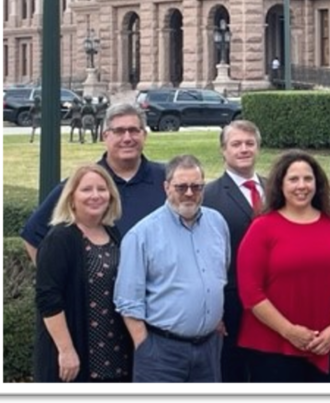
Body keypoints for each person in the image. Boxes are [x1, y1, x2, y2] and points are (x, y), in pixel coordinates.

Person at [237, 150, 330, 382]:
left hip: (328, 345)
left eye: (308, 178)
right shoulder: (262, 228)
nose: (301, 186)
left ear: (318, 183)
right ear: (280, 184)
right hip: (273, 348)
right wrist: (289, 331)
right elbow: (251, 292)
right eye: (293, 179)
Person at [114, 155, 230, 382]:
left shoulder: (217, 223)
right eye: (181, 187)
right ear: (166, 187)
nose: (189, 193)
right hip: (162, 352)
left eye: (196, 187)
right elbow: (127, 300)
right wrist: (144, 346)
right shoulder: (142, 235)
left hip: (209, 348)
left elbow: (220, 275)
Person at [21, 102, 167, 263]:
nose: (127, 138)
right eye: (118, 131)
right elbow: (33, 234)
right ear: (105, 136)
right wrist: (53, 280)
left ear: (144, 135)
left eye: (133, 130)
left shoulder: (169, 182)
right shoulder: (82, 185)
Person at [33, 164, 132, 382]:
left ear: (111, 195)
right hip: (76, 356)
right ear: (71, 198)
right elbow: (48, 299)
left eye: (102, 189)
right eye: (86, 189)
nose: (95, 196)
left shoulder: (112, 233)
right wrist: (66, 351)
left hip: (115, 353)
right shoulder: (60, 238)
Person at [203, 120, 267, 383]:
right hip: (232, 301)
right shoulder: (209, 196)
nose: (244, 149)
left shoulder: (276, 187)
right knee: (233, 373)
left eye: (249, 144)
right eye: (236, 144)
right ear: (223, 150)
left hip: (275, 300)